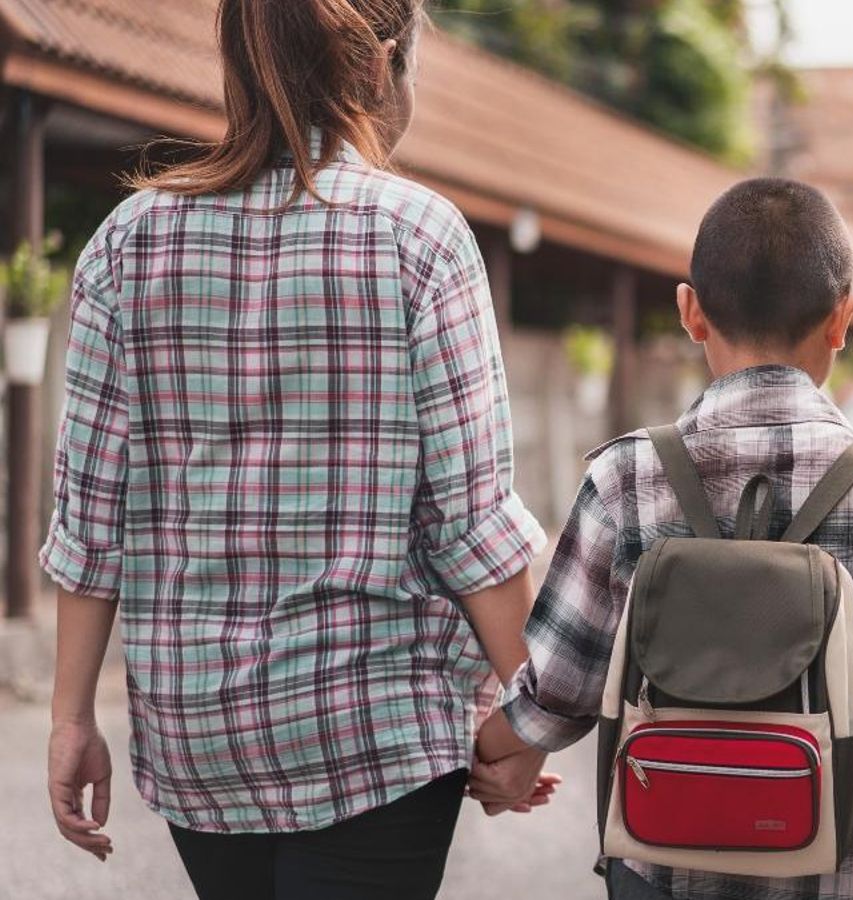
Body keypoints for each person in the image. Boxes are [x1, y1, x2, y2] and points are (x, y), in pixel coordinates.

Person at [41, 2, 556, 897]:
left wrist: (70, 716)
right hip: (374, 730)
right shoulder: (420, 239)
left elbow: (91, 516)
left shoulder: (126, 244)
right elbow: (470, 522)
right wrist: (528, 716)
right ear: (383, 63)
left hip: (198, 738)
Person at [471, 178, 853, 900]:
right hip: (844, 873)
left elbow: (561, 685)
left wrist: (484, 756)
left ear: (691, 311)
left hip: (668, 865)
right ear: (843, 318)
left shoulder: (626, 477)